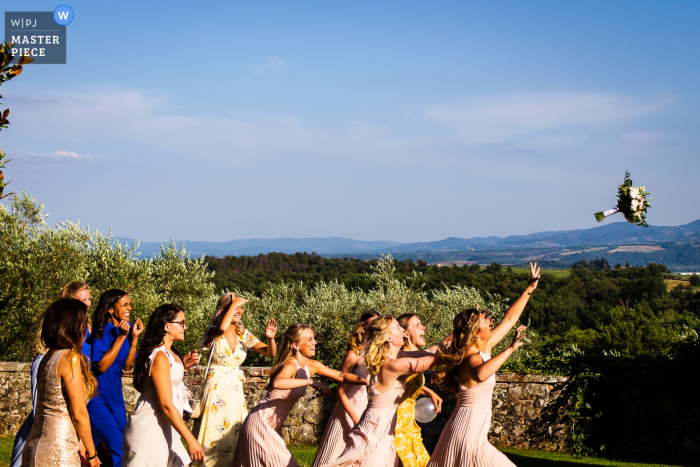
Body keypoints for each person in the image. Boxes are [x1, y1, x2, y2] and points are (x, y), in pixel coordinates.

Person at [426, 262, 540, 467]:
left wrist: (528, 290)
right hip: (467, 435)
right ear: (476, 332)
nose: (490, 320)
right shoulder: (471, 356)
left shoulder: (483, 349)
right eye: (485, 320)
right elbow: (480, 374)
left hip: (471, 432)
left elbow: (509, 319)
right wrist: (510, 349)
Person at [232, 322, 369, 467]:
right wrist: (310, 382)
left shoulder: (312, 365)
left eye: (314, 338)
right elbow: (278, 382)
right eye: (309, 339)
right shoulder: (291, 365)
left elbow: (342, 376)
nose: (315, 342)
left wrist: (366, 382)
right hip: (260, 423)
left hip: (272, 426)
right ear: (296, 345)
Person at [319, 315, 447, 467]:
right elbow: (433, 360)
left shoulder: (395, 356)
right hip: (375, 430)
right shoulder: (391, 364)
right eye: (399, 328)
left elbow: (433, 350)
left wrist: (467, 327)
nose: (403, 332)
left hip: (385, 429)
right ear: (388, 337)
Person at [11, 281, 93, 467]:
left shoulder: (48, 356)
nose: (86, 329)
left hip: (38, 445)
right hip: (59, 449)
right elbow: (78, 414)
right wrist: (91, 453)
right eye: (83, 323)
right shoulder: (69, 358)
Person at [193, 292, 279, 467]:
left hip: (235, 390)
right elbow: (222, 329)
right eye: (236, 307)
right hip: (215, 387)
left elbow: (271, 353)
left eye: (241, 307)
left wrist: (270, 339)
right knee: (212, 432)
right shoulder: (212, 330)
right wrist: (231, 306)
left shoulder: (243, 334)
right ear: (224, 310)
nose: (239, 311)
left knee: (235, 431)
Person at [123, 304, 204, 466]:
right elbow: (166, 405)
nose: (185, 327)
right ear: (167, 326)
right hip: (151, 430)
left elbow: (167, 381)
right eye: (181, 323)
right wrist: (190, 439)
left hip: (167, 429)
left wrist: (183, 367)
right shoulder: (159, 356)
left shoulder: (169, 354)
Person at [312, 311, 379, 467]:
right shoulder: (353, 355)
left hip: (370, 408)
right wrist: (355, 419)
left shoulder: (378, 355)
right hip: (350, 408)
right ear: (364, 329)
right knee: (339, 452)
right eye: (373, 324)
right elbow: (340, 391)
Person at [86, 289, 144, 467]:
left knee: (98, 448)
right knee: (119, 447)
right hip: (97, 398)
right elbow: (101, 366)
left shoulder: (124, 329)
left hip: (115, 398)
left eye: (129, 304)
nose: (129, 308)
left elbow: (126, 366)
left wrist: (133, 338)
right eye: (124, 304)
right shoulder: (102, 331)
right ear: (111, 309)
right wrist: (121, 337)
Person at [394, 313, 444, 467]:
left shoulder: (415, 358)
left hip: (410, 424)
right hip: (396, 425)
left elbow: (407, 384)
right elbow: (438, 351)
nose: (423, 327)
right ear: (406, 334)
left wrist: (429, 392)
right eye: (418, 325)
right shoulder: (402, 359)